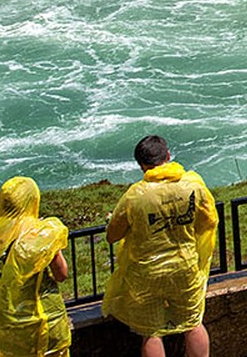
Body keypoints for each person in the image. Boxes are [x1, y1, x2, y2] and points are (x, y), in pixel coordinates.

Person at [102, 135, 219, 357]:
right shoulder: (192, 185)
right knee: (193, 322)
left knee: (152, 332)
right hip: (185, 266)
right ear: (167, 155)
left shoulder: (135, 195)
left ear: (141, 166)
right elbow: (208, 221)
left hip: (147, 273)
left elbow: (112, 236)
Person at [0, 176, 69, 357]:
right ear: (34, 201)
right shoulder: (39, 235)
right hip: (43, 320)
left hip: (7, 323)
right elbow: (61, 274)